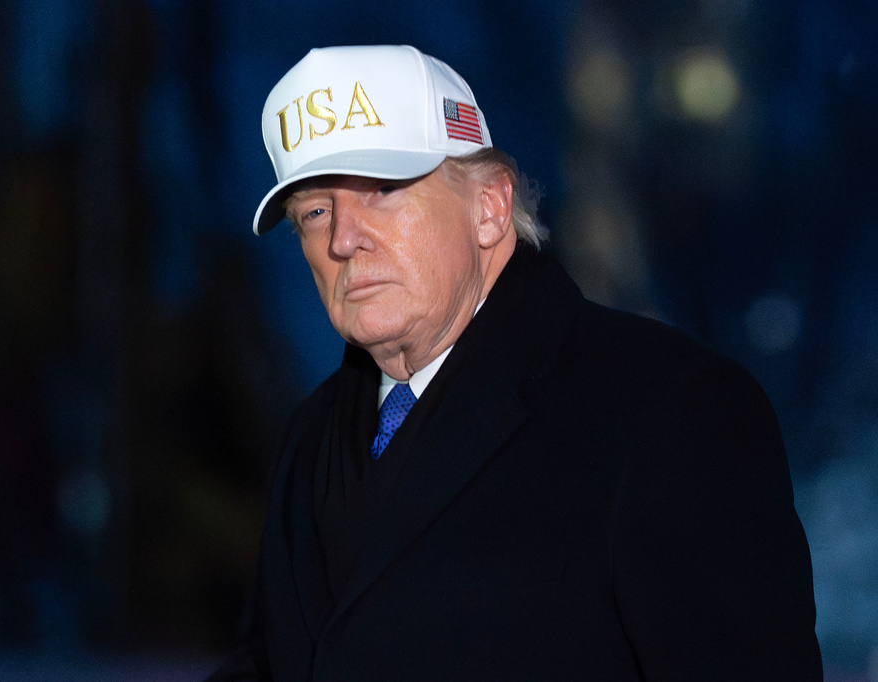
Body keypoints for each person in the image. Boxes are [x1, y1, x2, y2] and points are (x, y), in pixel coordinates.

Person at [209, 44, 822, 680]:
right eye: (313, 212)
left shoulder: (668, 410)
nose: (342, 237)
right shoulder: (313, 437)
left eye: (383, 190)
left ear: (490, 207)